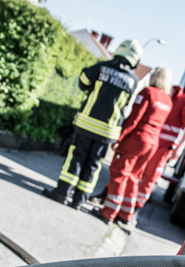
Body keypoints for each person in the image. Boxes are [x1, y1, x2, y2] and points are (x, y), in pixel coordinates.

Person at [42, 39, 142, 209]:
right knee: (93, 165)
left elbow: (83, 81)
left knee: (76, 159)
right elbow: (127, 105)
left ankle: (62, 193)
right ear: (135, 60)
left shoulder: (102, 67)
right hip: (108, 131)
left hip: (87, 124)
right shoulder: (133, 80)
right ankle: (79, 201)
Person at [93, 67, 173, 228]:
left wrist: (119, 138)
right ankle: (125, 215)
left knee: (119, 174)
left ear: (154, 77)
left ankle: (108, 213)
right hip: (152, 143)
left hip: (137, 139)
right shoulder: (167, 100)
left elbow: (134, 119)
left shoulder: (148, 92)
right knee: (133, 177)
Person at [135, 85, 185, 211]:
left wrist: (180, 148)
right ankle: (128, 201)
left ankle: (136, 206)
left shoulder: (184, 99)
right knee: (136, 170)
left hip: (164, 146)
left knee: (151, 176)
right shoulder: (164, 95)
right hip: (151, 139)